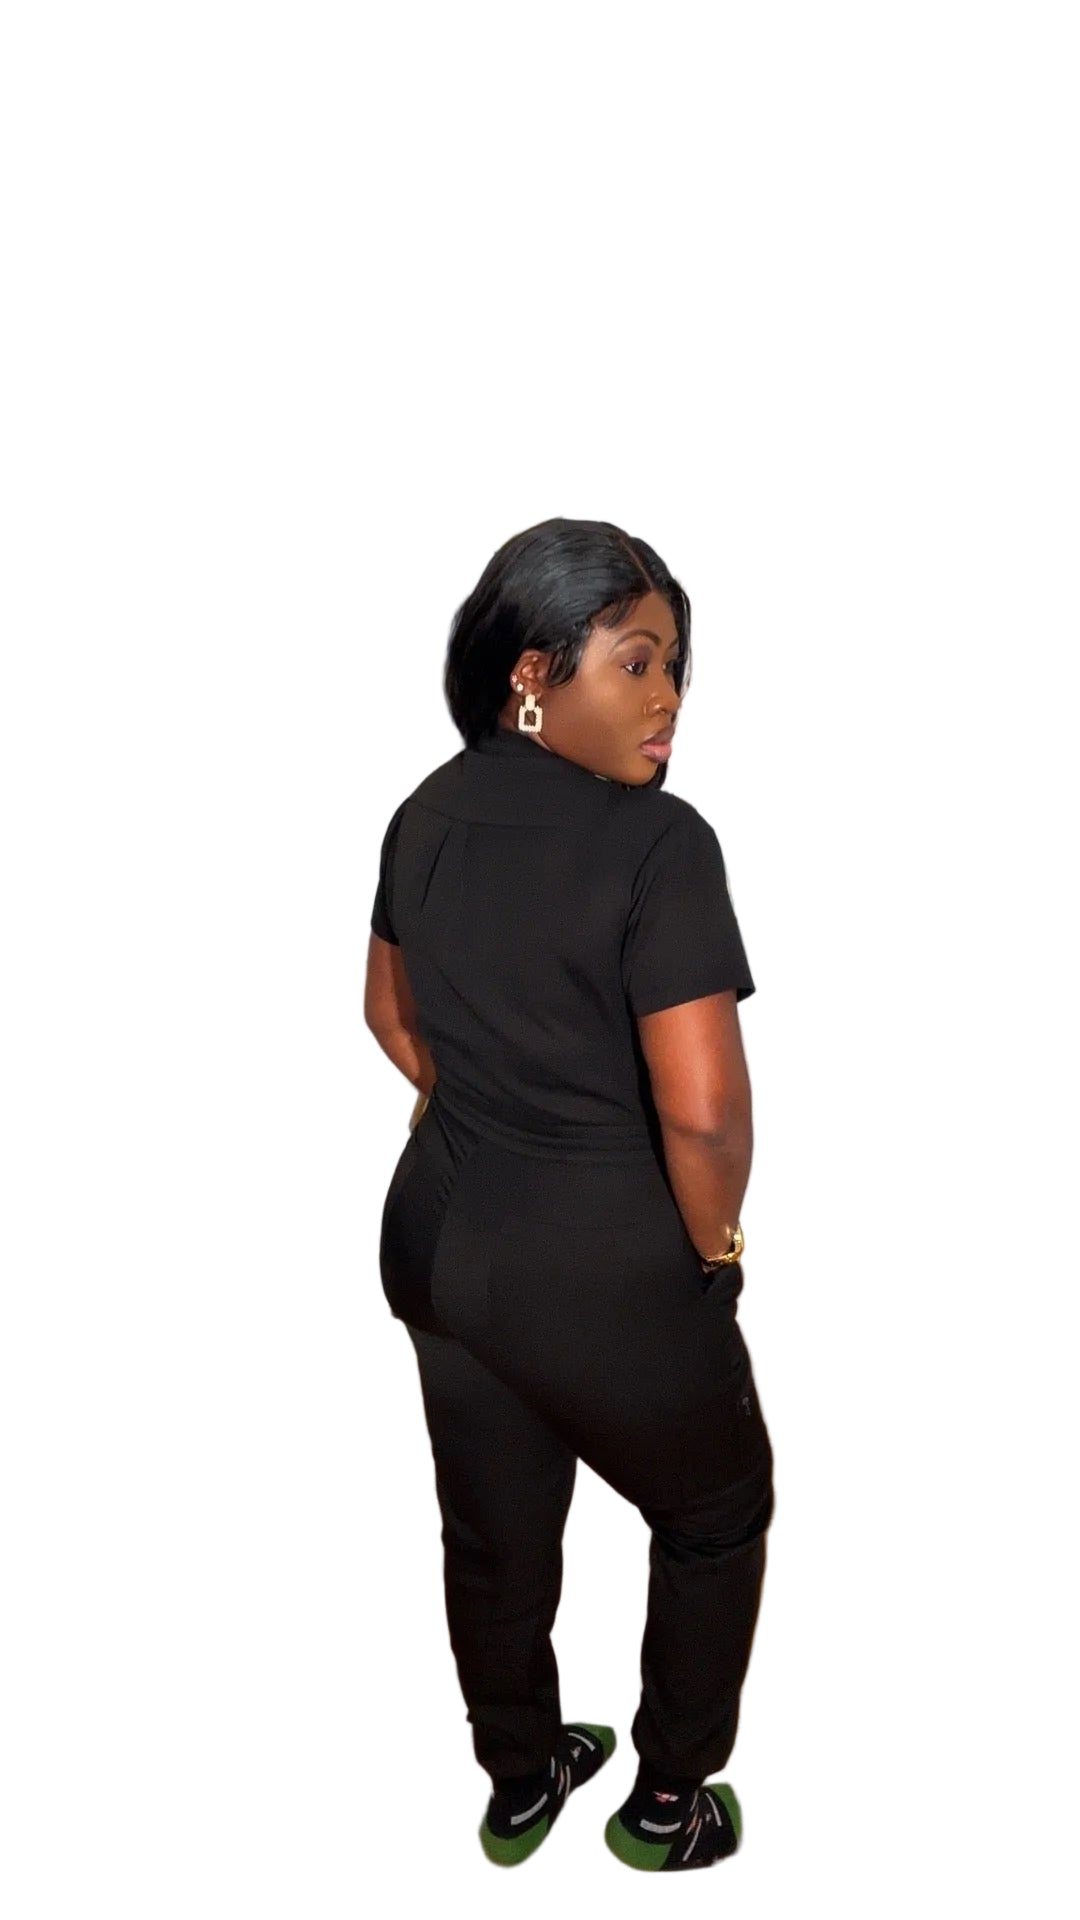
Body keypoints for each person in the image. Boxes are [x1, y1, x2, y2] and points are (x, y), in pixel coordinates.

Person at [364, 517, 775, 1873]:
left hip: (437, 1237)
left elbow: (386, 1012)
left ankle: (521, 1776)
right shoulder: (661, 846)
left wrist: (482, 1103)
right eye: (636, 661)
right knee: (714, 1511)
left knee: (491, 1527)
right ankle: (666, 1808)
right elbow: (703, 1111)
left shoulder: (423, 813)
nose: (668, 698)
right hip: (597, 1260)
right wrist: (713, 1242)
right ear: (532, 673)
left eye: (678, 668)